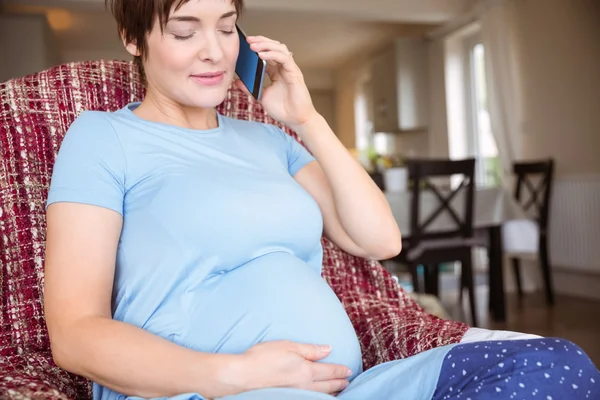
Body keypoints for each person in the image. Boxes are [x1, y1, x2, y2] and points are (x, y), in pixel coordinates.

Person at [43, 0, 599, 399]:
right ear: (134, 40)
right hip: (204, 390)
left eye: (228, 26)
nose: (213, 52)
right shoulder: (101, 138)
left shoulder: (270, 140)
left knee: (556, 365)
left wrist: (306, 117)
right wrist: (233, 374)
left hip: (349, 389)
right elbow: (75, 333)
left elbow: (379, 238)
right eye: (185, 31)